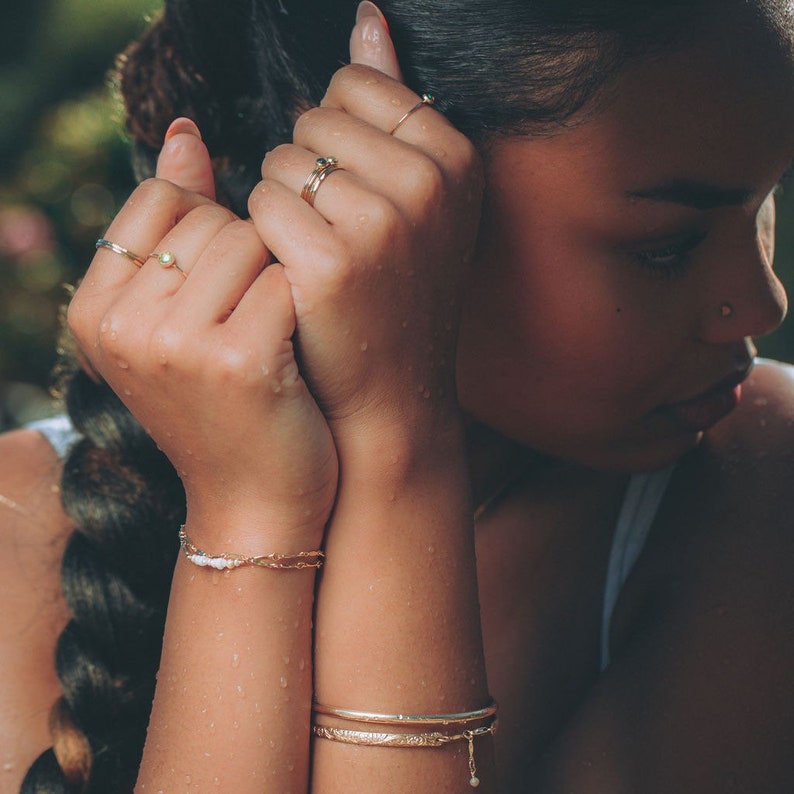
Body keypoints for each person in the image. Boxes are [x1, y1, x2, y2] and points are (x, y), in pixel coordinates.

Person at [2, 0, 794, 790]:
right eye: (666, 247)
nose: (764, 304)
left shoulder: (759, 481)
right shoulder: (16, 536)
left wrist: (396, 440)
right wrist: (255, 506)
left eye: (767, 204)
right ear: (364, 185)